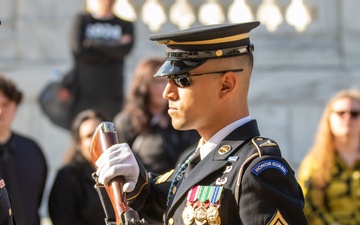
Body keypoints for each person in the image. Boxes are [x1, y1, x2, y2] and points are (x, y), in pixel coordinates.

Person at [94, 22, 309, 224]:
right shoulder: (192, 162)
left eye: (182, 80)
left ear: (226, 85)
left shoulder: (258, 172)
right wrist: (135, 182)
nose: (168, 92)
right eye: (167, 80)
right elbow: (163, 202)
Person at [113, 57, 200, 174]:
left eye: (167, 81)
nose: (163, 88)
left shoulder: (181, 116)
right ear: (143, 85)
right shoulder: (126, 121)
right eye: (157, 82)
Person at [65, 0, 135, 127]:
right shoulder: (82, 20)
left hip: (112, 94)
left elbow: (124, 50)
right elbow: (78, 50)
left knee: (111, 133)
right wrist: (113, 48)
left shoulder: (125, 24)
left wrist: (92, 44)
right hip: (84, 93)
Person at [297, 89, 360, 225]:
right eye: (341, 113)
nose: (347, 118)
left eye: (355, 114)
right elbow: (307, 205)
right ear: (329, 118)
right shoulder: (315, 163)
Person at [48, 109, 110, 225]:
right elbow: (63, 219)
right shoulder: (67, 177)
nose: (96, 139)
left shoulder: (123, 171)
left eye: (100, 133)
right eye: (89, 135)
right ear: (79, 143)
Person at [0, 75, 47, 225]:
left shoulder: (32, 150)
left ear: (15, 106)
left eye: (6, 104)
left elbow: (37, 200)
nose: (0, 111)